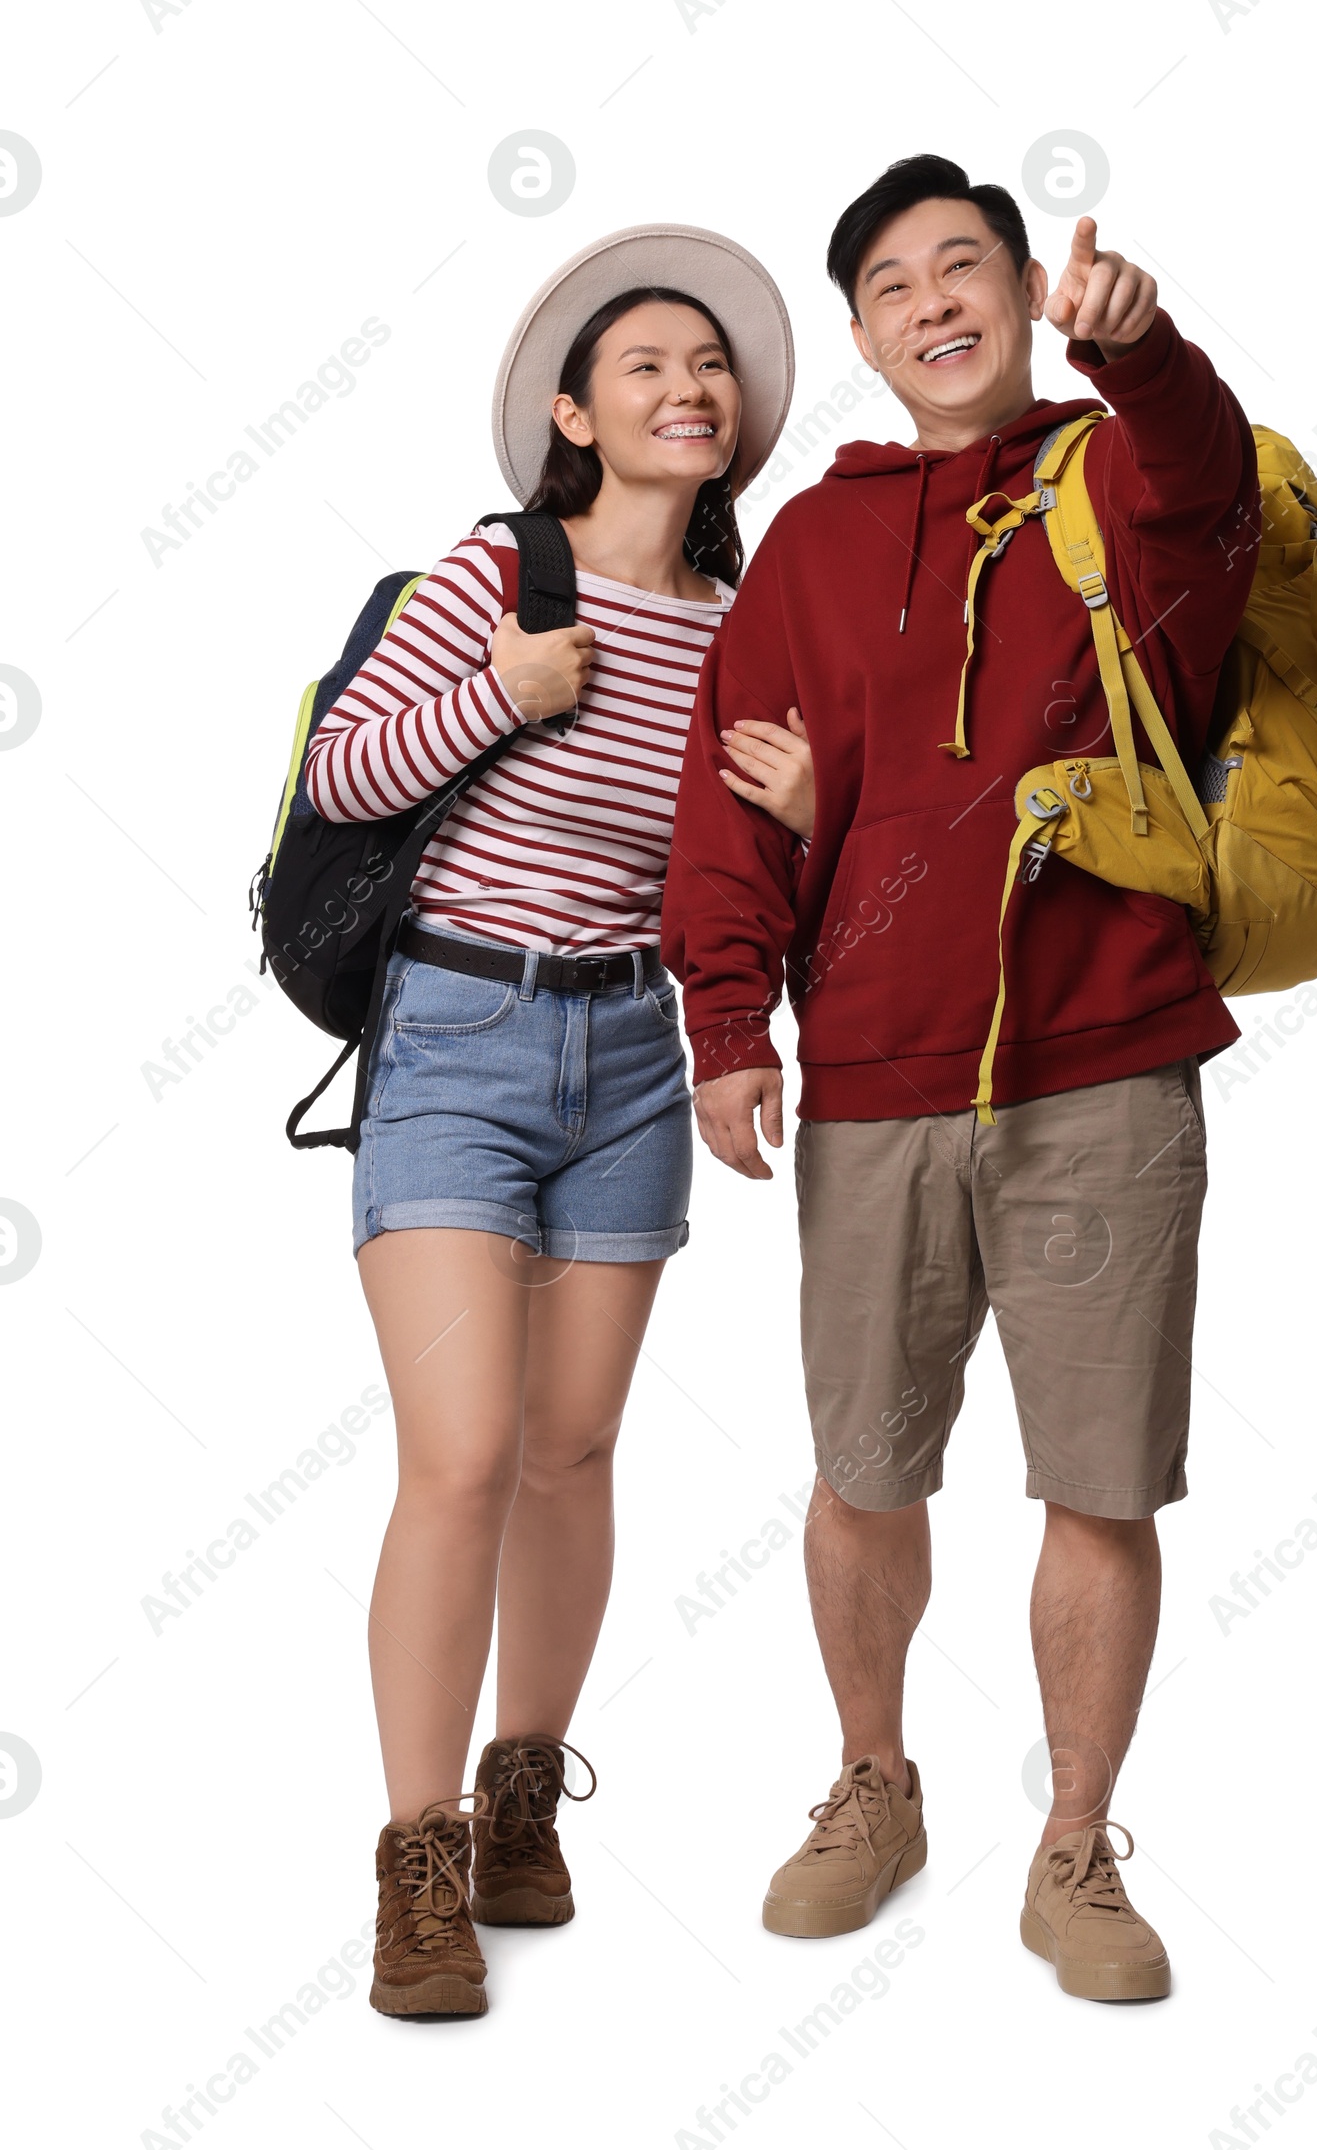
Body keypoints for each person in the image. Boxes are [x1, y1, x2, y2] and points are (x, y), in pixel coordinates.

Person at [662, 154, 1260, 2000]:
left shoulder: (1114, 478)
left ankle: (1075, 1844)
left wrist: (1147, 361)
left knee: (1101, 1480)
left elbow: (1213, 505)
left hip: (1106, 1060)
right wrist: (727, 1021)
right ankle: (873, 1779)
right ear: (857, 337)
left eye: (967, 266)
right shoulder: (817, 546)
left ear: (1019, 290)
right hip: (876, 1070)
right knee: (864, 1468)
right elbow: (728, 785)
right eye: (896, 284)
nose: (937, 300)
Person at [303, 225, 804, 2020]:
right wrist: (498, 695)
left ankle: (525, 1797)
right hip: (453, 1033)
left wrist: (807, 809)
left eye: (713, 368)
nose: (690, 387)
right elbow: (343, 775)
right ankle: (418, 1861)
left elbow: (742, 887)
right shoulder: (492, 576)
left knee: (571, 1452)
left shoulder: (753, 632)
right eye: (650, 366)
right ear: (577, 414)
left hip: (633, 1061)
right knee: (460, 1450)